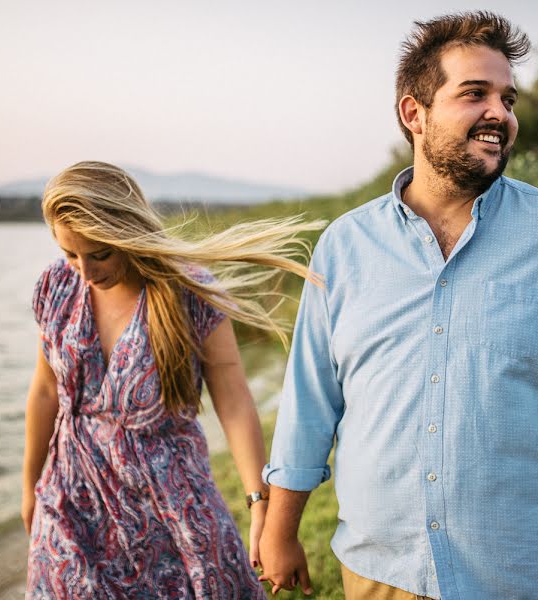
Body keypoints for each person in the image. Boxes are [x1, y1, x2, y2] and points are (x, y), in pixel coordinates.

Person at [258, 11, 538, 599]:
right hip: (383, 572)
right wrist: (280, 530)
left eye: (508, 99)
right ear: (415, 113)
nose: (501, 114)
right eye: (475, 94)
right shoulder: (345, 246)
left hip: (524, 572)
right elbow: (312, 399)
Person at [21, 161, 323, 598]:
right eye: (70, 253)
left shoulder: (190, 292)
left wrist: (260, 502)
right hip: (71, 499)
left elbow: (234, 402)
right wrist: (31, 487)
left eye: (100, 253)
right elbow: (46, 390)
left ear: (127, 234)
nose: (85, 271)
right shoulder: (56, 287)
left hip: (170, 503)